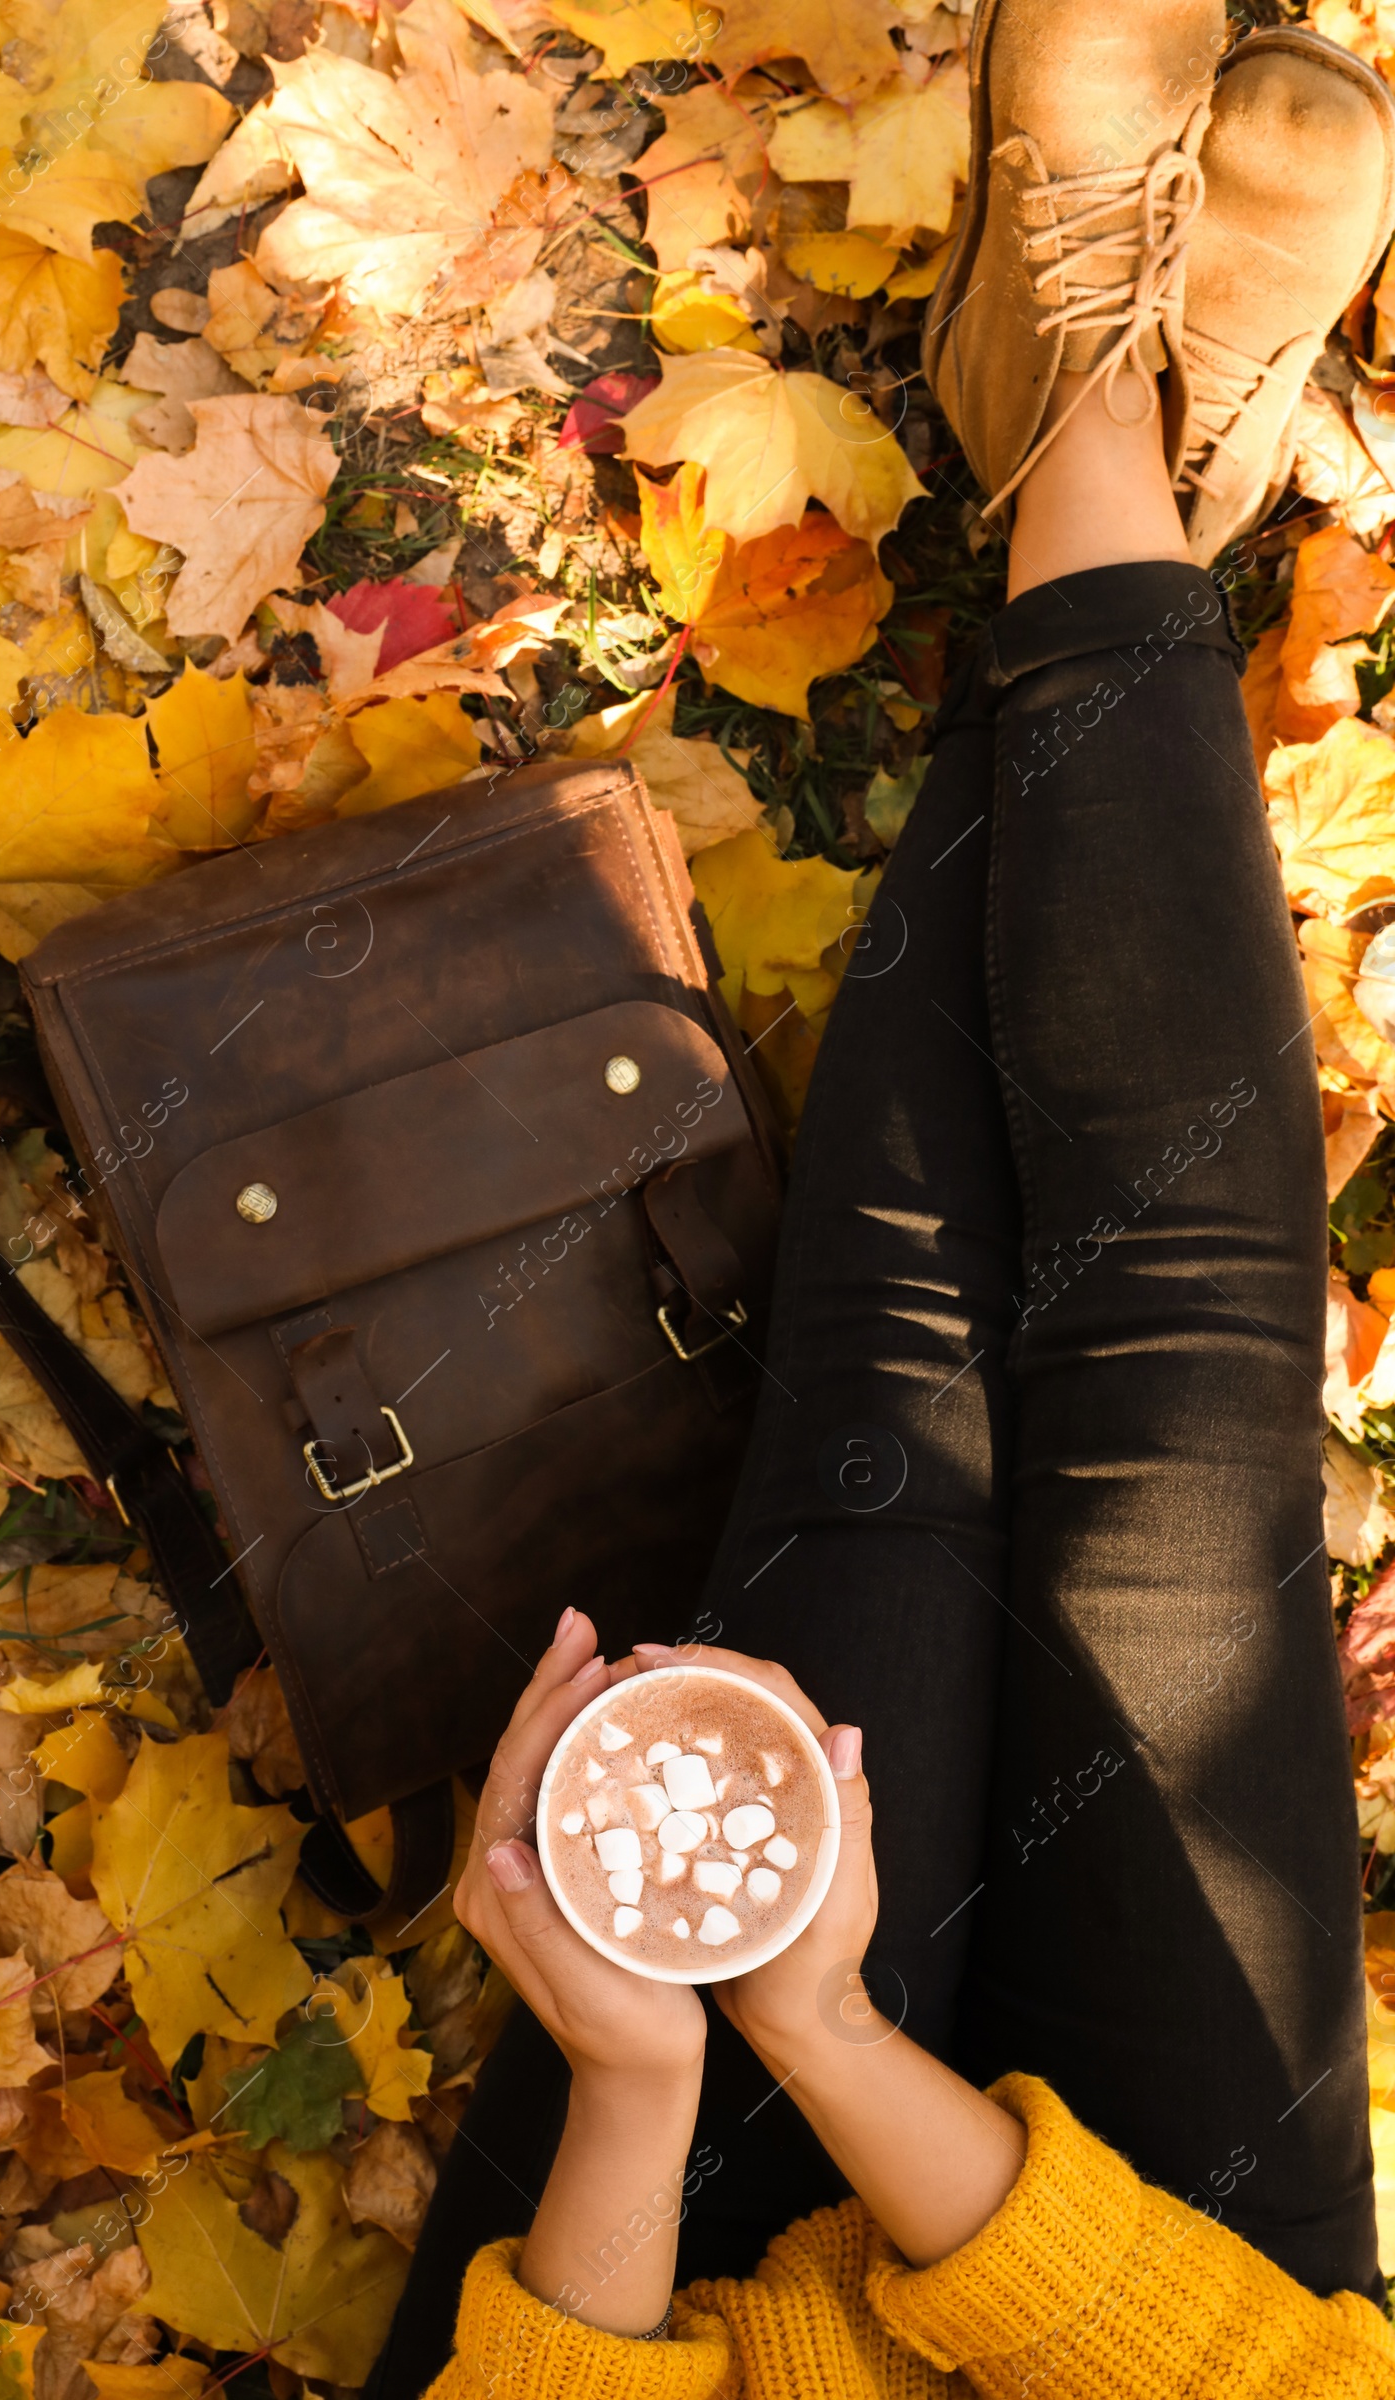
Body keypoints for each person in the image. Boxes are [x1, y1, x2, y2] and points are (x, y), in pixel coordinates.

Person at [366, 6, 1395, 2391]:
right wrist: (826, 2036)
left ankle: (1085, 437)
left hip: (647, 2275)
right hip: (1160, 2320)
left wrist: (663, 2070)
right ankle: (1087, 440)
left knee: (885, 1440)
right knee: (1175, 1394)